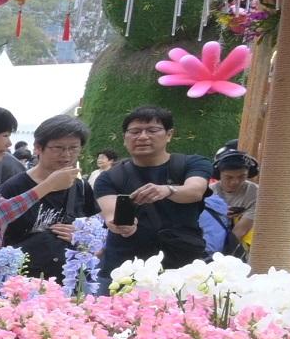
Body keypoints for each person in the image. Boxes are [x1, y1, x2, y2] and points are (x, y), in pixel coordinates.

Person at [91, 110, 214, 281]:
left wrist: (168, 190)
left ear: (169, 134)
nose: (142, 137)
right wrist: (122, 226)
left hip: (182, 264)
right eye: (135, 131)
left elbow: (195, 191)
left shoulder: (192, 163)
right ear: (124, 138)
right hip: (126, 267)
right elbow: (111, 213)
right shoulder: (110, 177)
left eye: (152, 130)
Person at [1, 115, 97, 283]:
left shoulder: (81, 186)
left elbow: (95, 230)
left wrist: (81, 235)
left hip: (69, 282)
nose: (66, 155)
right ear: (38, 147)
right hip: (22, 282)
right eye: (58, 148)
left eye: (74, 148)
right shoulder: (14, 187)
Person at [201, 150, 261, 258]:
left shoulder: (256, 193)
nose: (235, 182)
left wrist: (222, 258)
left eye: (241, 177)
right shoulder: (207, 192)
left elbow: (240, 231)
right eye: (229, 177)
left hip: (240, 245)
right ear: (219, 175)